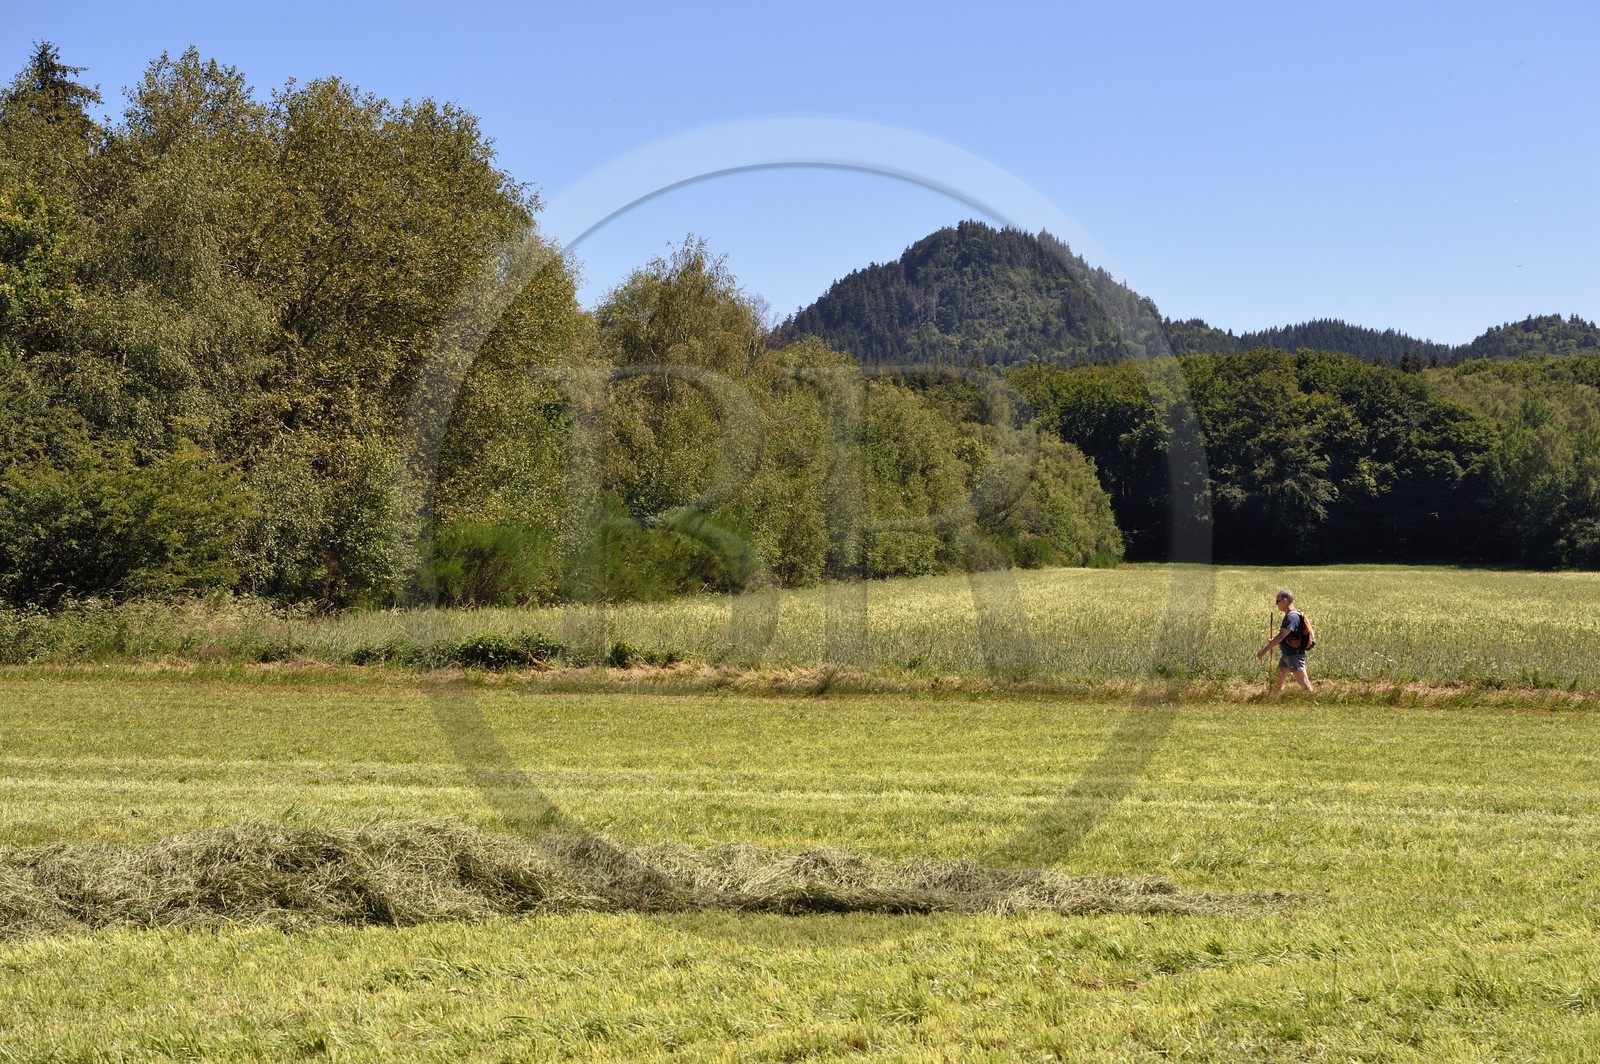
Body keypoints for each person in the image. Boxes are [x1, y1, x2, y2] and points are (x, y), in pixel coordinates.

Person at [1256, 588, 1313, 693]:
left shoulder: (1291, 617)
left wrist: (1263, 652)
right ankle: (1273, 700)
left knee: (1304, 683)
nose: (1276, 604)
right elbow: (1287, 636)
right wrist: (1276, 640)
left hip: (1294, 655)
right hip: (1287, 654)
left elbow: (1281, 636)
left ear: (1284, 601)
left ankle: (1313, 701)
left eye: (1277, 601)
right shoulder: (1293, 615)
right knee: (1278, 680)